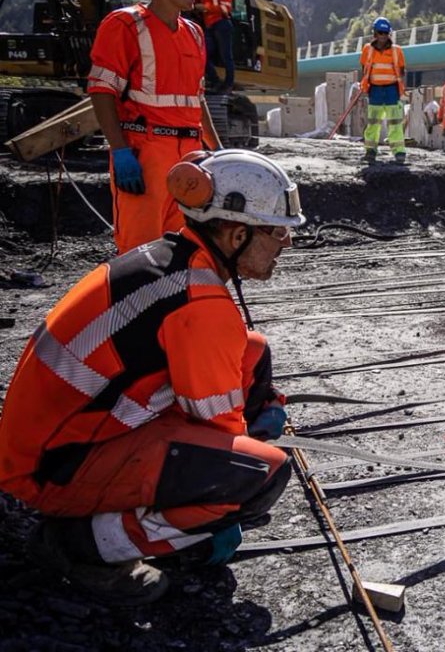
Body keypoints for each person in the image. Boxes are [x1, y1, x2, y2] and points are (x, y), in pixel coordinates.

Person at [0, 149, 304, 606]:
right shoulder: (201, 305)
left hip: (57, 433)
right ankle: (83, 543)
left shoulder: (172, 257)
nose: (287, 243)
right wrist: (236, 483)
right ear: (237, 233)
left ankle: (139, 519)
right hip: (53, 469)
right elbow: (219, 430)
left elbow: (230, 361)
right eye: (277, 231)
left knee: (252, 350)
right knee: (258, 474)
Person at [88, 0, 223, 255]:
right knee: (139, 254)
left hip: (190, 155)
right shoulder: (125, 25)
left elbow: (196, 98)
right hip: (145, 154)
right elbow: (101, 90)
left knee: (182, 253)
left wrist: (218, 151)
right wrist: (120, 151)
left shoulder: (194, 34)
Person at [359, 16, 407, 163]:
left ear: (389, 34)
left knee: (395, 123)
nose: (383, 36)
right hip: (375, 90)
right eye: (380, 33)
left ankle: (399, 152)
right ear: (375, 33)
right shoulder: (368, 49)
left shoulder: (396, 51)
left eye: (385, 33)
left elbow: (402, 71)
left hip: (392, 90)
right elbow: (364, 68)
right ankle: (371, 151)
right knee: (373, 122)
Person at [199, 0, 236, 93]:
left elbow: (226, 8)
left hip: (221, 24)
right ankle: (216, 81)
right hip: (210, 27)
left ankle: (228, 84)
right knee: (204, 55)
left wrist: (205, 7)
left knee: (226, 57)